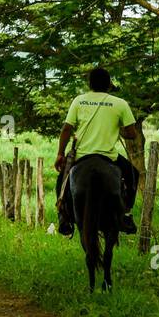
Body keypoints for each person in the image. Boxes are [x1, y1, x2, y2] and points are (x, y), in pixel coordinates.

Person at [53, 67, 140, 237]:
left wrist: (60, 154)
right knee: (134, 174)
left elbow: (66, 129)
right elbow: (132, 133)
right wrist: (119, 130)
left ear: (90, 84)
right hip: (109, 157)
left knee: (61, 182)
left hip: (81, 156)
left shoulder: (79, 101)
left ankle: (63, 217)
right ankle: (126, 214)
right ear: (109, 84)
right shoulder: (120, 103)